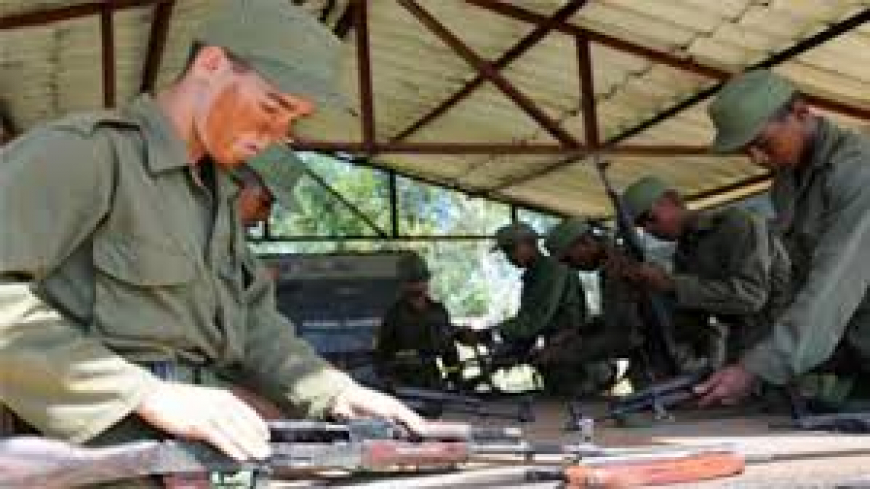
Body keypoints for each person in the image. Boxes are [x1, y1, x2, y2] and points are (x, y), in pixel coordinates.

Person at [0, 0, 423, 472]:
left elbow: (254, 326)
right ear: (211, 65)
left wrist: (335, 393)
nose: (275, 134)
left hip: (194, 459)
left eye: (292, 120)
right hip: (97, 461)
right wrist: (144, 393)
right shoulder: (87, 155)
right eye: (272, 107)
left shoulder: (217, 196)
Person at [695, 69, 870, 407]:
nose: (757, 159)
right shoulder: (787, 183)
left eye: (762, 144)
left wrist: (761, 366)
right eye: (746, 151)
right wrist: (759, 355)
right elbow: (797, 279)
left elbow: (834, 282)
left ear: (800, 112)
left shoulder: (859, 172)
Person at [618, 175, 791, 372]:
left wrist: (672, 284)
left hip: (781, 346)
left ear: (674, 200)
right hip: (744, 351)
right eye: (641, 226)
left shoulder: (736, 224)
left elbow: (751, 297)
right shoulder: (685, 252)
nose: (649, 230)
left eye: (650, 218)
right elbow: (697, 316)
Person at [490, 221, 593, 395]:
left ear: (531, 243)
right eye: (506, 251)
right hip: (558, 358)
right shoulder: (533, 276)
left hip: (576, 361)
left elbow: (535, 321)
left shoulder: (553, 270)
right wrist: (508, 352)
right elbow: (527, 325)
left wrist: (491, 333)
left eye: (511, 249)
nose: (509, 257)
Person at [542, 218, 645, 375]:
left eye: (568, 259)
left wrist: (562, 354)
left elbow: (627, 338)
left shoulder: (621, 267)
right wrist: (579, 332)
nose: (569, 266)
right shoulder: (610, 266)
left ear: (585, 242)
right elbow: (616, 318)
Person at [374, 252, 461, 389]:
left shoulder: (438, 312)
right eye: (413, 281)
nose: (418, 285)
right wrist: (391, 382)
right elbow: (382, 357)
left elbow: (450, 354)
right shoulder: (393, 316)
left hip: (434, 384)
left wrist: (457, 382)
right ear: (402, 284)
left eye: (421, 280)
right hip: (405, 387)